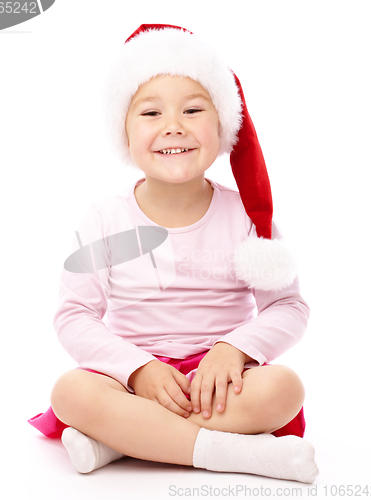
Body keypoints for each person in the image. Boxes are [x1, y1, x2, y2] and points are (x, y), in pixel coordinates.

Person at [28, 24, 319, 483]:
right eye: (150, 112)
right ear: (123, 132)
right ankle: (233, 453)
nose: (173, 126)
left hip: (221, 384)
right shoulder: (105, 218)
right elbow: (75, 315)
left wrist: (233, 350)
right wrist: (137, 369)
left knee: (285, 387)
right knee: (71, 390)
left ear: (223, 123)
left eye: (193, 109)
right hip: (132, 382)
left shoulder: (245, 215)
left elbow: (288, 306)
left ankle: (119, 440)